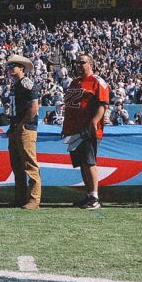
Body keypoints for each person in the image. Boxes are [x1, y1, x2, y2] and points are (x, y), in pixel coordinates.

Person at [60, 53, 107, 210]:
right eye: (77, 63)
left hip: (87, 129)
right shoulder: (75, 82)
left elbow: (102, 105)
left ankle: (95, 197)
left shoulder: (97, 81)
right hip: (74, 128)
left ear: (90, 64)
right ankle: (89, 195)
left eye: (82, 62)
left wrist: (94, 121)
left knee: (89, 161)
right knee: (81, 164)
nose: (79, 65)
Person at [4, 54, 43, 210]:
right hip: (15, 127)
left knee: (29, 163)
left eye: (13, 66)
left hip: (25, 128)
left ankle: (34, 198)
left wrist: (23, 124)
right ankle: (20, 197)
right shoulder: (15, 85)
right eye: (8, 67)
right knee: (17, 165)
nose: (9, 69)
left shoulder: (26, 83)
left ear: (21, 68)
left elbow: (34, 106)